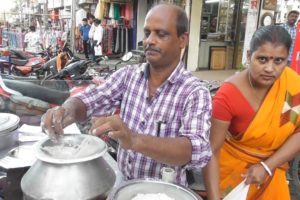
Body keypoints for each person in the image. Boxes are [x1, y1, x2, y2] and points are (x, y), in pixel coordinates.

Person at [41, 4, 212, 186]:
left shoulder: (194, 93)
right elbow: (93, 98)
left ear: (182, 40)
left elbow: (197, 151)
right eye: (147, 33)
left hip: (164, 192)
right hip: (123, 183)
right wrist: (68, 110)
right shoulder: (128, 75)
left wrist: (134, 140)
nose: (149, 41)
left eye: (161, 34)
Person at [203, 25, 300, 200]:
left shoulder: (293, 86)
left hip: (272, 173)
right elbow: (211, 151)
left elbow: (298, 130)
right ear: (249, 56)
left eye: (278, 61)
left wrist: (268, 166)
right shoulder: (227, 96)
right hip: (234, 179)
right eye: (262, 59)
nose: (270, 68)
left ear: (287, 60)